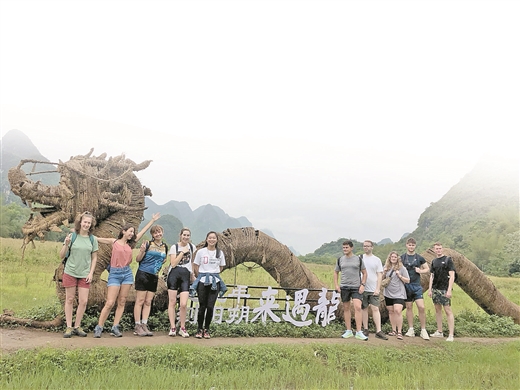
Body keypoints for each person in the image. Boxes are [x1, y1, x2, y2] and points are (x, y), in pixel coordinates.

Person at [93, 213, 160, 338]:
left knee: (122, 301)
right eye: (130, 231)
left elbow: (143, 231)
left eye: (132, 232)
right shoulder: (114, 242)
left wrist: (152, 220)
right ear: (123, 232)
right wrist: (82, 234)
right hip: (114, 274)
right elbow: (97, 238)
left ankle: (115, 327)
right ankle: (99, 326)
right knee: (110, 302)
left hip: (127, 274)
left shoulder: (131, 244)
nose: (131, 233)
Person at [60, 211, 99, 338]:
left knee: (83, 301)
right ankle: (68, 326)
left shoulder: (92, 239)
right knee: (70, 299)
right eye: (85, 222)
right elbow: (61, 255)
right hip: (70, 271)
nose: (86, 224)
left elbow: (94, 258)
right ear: (80, 223)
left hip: (84, 274)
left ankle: (77, 326)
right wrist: (65, 244)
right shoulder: (72, 236)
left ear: (91, 224)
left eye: (89, 223)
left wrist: (91, 273)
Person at [133, 224, 168, 337]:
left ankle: (144, 324)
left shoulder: (165, 246)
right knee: (140, 300)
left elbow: (163, 260)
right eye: (155, 232)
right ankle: (137, 325)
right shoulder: (148, 244)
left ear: (162, 232)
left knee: (148, 301)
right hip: (143, 274)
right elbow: (138, 259)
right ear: (152, 235)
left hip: (154, 276)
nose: (158, 234)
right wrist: (142, 251)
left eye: (159, 231)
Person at [192, 231, 226, 339]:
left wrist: (213, 273)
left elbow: (221, 267)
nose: (211, 240)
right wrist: (201, 275)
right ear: (206, 239)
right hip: (202, 281)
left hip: (214, 282)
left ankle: (207, 329)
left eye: (214, 238)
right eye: (209, 238)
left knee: (210, 307)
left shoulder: (219, 253)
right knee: (202, 306)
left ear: (216, 240)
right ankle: (199, 329)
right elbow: (196, 265)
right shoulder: (201, 252)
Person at [334, 240, 368, 341]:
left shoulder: (358, 259)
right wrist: (336, 285)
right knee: (346, 308)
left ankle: (358, 331)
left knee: (358, 307)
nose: (345, 249)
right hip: (344, 286)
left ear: (351, 248)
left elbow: (365, 273)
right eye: (343, 248)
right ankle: (348, 330)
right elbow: (336, 272)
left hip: (356, 287)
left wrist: (363, 284)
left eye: (347, 247)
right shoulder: (340, 259)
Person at [166, 227, 196, 338]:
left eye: (188, 235)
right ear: (180, 235)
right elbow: (173, 263)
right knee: (172, 302)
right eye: (184, 235)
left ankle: (182, 328)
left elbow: (192, 262)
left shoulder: (192, 247)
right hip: (174, 274)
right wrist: (182, 252)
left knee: (183, 304)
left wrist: (192, 274)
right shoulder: (175, 247)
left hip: (185, 276)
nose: (186, 237)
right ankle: (173, 327)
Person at [401, 237, 430, 340]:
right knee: (408, 307)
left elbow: (427, 269)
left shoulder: (419, 258)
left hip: (417, 285)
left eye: (413, 245)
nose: (411, 246)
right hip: (406, 286)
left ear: (415, 246)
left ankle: (423, 330)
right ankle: (411, 329)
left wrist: (420, 271)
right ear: (406, 245)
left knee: (421, 307)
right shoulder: (402, 257)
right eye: (409, 245)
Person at [360, 240, 388, 340]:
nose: (366, 247)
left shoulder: (377, 260)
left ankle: (378, 330)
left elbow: (379, 275)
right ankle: (365, 329)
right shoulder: (360, 258)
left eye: (368, 246)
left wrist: (378, 288)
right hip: (363, 288)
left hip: (373, 288)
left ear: (372, 247)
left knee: (375, 308)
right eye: (364, 246)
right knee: (364, 308)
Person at [428, 242, 455, 342]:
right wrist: (430, 289)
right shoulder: (434, 261)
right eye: (436, 248)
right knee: (437, 310)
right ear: (434, 250)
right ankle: (439, 331)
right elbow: (432, 276)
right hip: (435, 289)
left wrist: (449, 290)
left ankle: (451, 334)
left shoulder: (448, 260)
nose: (438, 250)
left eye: (440, 248)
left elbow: (452, 275)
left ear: (442, 249)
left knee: (448, 310)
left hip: (444, 289)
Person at [382, 251, 410, 340]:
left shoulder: (402, 268)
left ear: (397, 258)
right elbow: (381, 279)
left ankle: (399, 331)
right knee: (391, 311)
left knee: (398, 311)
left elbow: (408, 280)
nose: (393, 258)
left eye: (395, 257)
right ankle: (393, 330)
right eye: (391, 257)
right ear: (389, 258)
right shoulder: (386, 267)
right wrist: (384, 272)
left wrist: (399, 275)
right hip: (388, 293)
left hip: (399, 293)